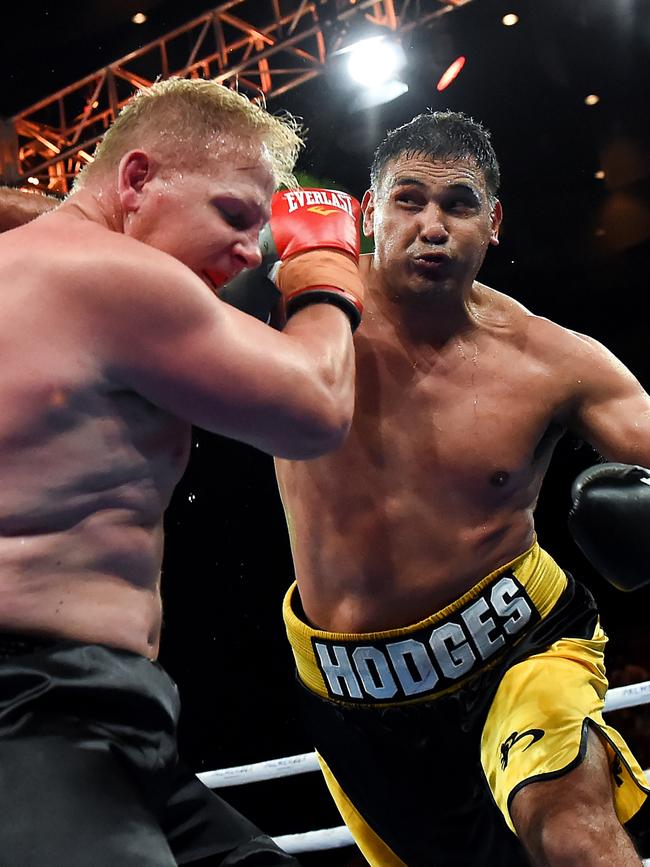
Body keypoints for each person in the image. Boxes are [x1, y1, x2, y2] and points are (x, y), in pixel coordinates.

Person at [264, 112, 650, 865]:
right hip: (355, 695)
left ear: (493, 221)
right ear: (371, 213)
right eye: (409, 200)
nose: (432, 226)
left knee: (570, 825)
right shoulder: (302, 308)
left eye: (459, 204)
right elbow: (122, 272)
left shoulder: (554, 361)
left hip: (523, 647)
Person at [0, 77, 366, 866]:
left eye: (261, 235)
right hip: (34, 715)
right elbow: (317, 406)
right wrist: (329, 273)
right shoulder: (111, 276)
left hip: (94, 720)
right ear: (136, 180)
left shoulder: (49, 267)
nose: (248, 253)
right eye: (233, 215)